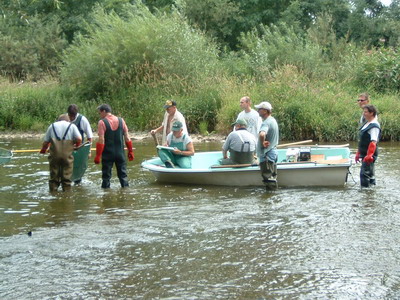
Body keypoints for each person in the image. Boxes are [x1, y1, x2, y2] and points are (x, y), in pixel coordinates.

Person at [94, 104, 134, 188]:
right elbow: (127, 137)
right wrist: (130, 151)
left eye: (100, 113)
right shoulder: (121, 120)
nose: (100, 115)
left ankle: (105, 196)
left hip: (108, 154)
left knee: (106, 178)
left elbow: (101, 140)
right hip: (120, 153)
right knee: (123, 176)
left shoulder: (102, 122)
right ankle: (125, 194)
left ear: (104, 111)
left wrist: (98, 156)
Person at [40, 114, 82, 192]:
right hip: (67, 157)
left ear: (58, 120)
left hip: (54, 156)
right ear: (68, 120)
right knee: (67, 178)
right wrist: (76, 146)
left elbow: (45, 142)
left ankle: (53, 193)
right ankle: (66, 196)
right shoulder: (72, 126)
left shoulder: (52, 126)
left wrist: (43, 150)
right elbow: (79, 138)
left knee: (53, 178)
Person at [255, 101, 279, 190]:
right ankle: (273, 198)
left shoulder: (266, 122)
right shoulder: (273, 120)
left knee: (268, 179)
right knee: (272, 177)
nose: (257, 111)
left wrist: (262, 142)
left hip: (267, 155)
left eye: (259, 109)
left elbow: (262, 134)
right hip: (273, 152)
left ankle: (269, 200)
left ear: (265, 111)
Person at [355, 104, 381, 187]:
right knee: (369, 173)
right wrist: (358, 153)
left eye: (366, 112)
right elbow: (362, 141)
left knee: (364, 174)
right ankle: (370, 191)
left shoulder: (374, 126)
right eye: (364, 111)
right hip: (364, 153)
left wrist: (369, 155)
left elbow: (373, 142)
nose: (364, 113)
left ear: (371, 113)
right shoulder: (367, 123)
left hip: (369, 155)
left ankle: (366, 193)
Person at [67, 104, 93, 184]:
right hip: (67, 148)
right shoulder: (64, 119)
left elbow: (89, 137)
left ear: (76, 114)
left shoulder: (82, 119)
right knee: (66, 170)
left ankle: (77, 184)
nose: (71, 118)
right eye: (70, 116)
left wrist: (89, 151)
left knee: (77, 170)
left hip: (79, 149)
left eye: (73, 116)